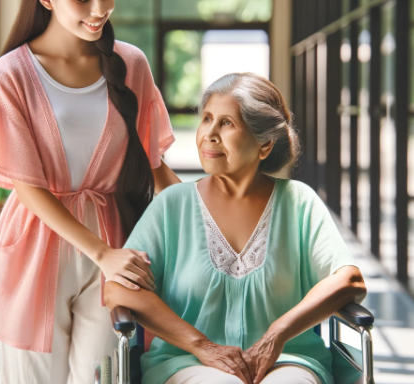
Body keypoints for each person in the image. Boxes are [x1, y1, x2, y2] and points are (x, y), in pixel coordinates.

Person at [0, 0, 179, 382]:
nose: (100, 11)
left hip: (115, 239)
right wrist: (100, 253)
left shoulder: (130, 65)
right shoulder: (12, 74)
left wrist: (215, 217)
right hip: (35, 244)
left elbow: (155, 165)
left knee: (103, 374)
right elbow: (26, 184)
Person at [105, 72, 367, 384]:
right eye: (207, 119)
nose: (209, 134)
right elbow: (118, 288)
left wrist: (278, 334)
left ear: (265, 145)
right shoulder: (171, 205)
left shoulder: (298, 202)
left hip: (288, 362)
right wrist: (202, 346)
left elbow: (348, 280)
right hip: (187, 362)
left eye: (227, 123)